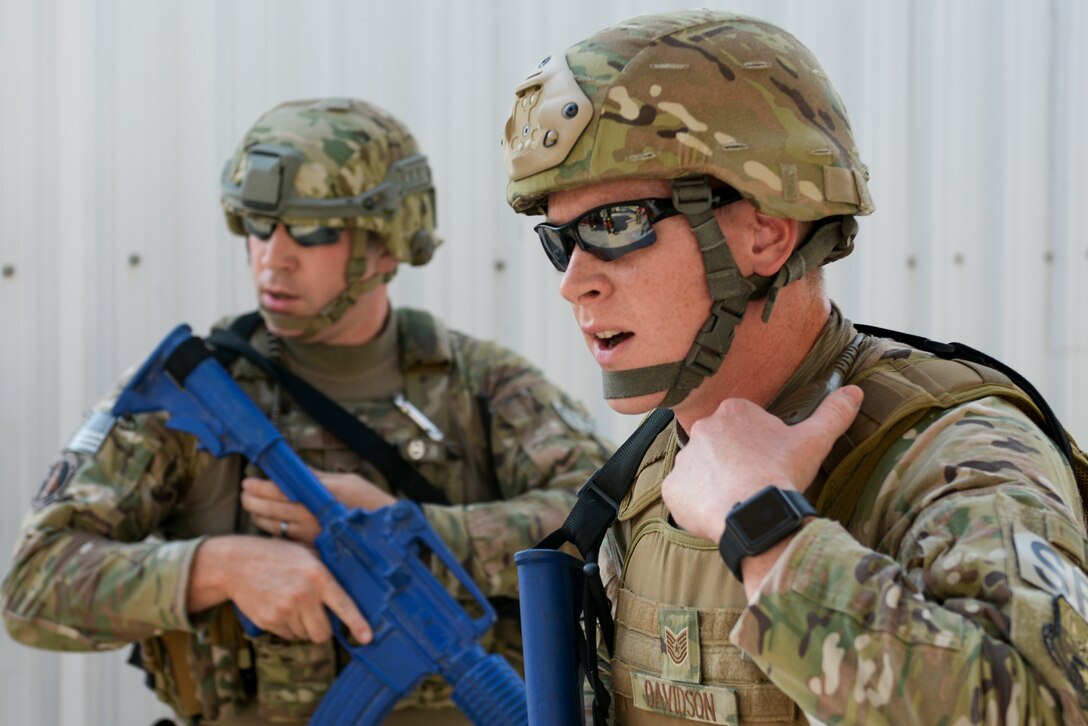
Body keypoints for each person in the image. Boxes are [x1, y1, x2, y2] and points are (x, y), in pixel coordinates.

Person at [502, 10, 1088, 725]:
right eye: (562, 240)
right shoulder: (653, 473)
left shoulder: (950, 452)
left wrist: (767, 531)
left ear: (768, 233)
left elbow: (1046, 708)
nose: (574, 283)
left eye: (615, 224)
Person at [2, 97, 612, 725]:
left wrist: (419, 533)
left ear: (387, 242)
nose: (273, 256)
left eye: (313, 231)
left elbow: (606, 527)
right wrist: (218, 568)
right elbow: (33, 584)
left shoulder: (481, 383)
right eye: (258, 225)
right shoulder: (192, 395)